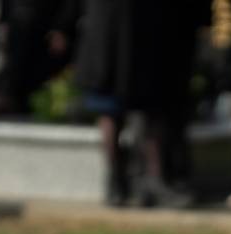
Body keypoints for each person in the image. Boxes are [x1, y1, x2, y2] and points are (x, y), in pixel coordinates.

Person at [68, 0, 205, 206]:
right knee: (134, 110)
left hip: (117, 33)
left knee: (136, 111)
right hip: (125, 34)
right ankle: (133, 181)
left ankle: (131, 183)